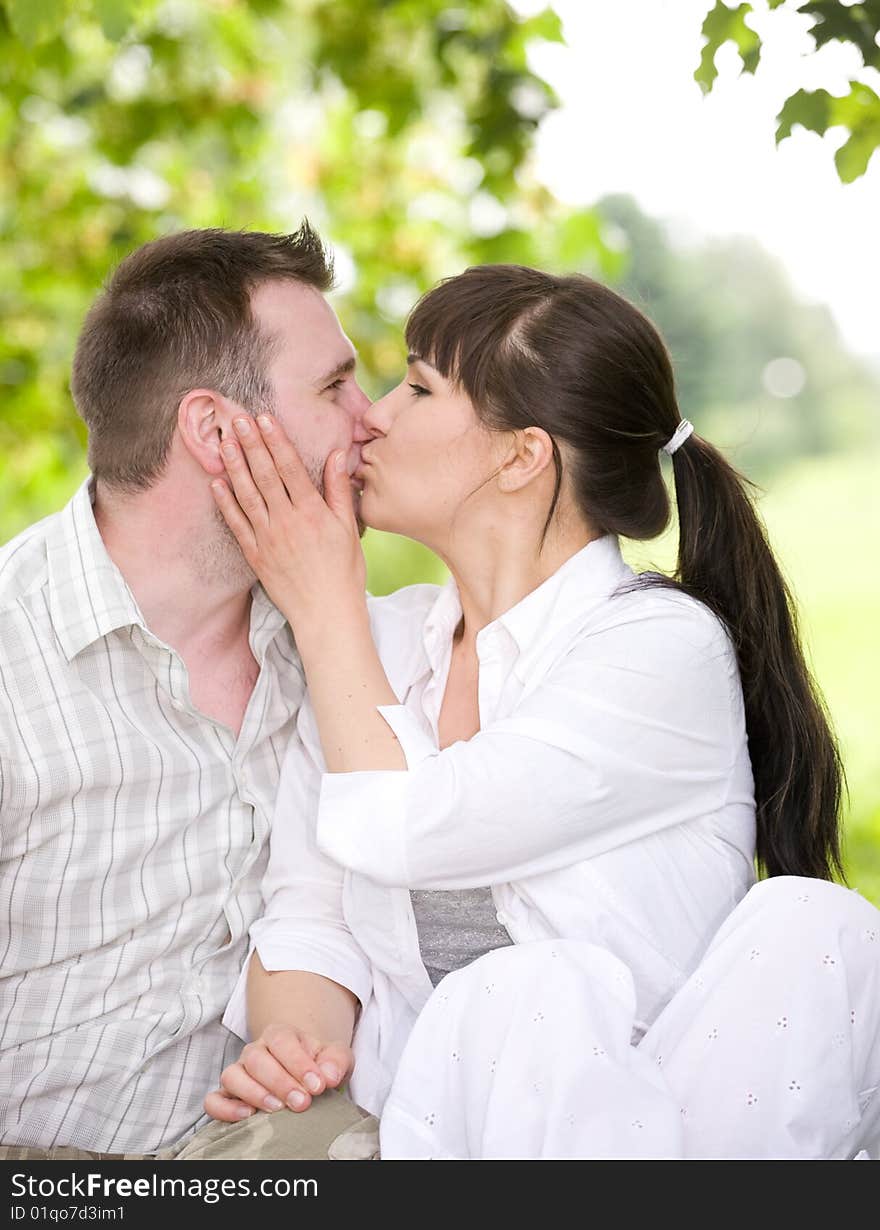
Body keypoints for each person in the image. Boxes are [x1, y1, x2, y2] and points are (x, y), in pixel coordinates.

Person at [206, 264, 880, 1159]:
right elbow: (310, 912)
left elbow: (407, 829)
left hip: (662, 1129)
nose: (371, 413)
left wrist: (322, 603)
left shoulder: (656, 651)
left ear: (520, 456)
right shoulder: (383, 645)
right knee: (518, 998)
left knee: (556, 987)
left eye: (417, 387)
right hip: (430, 1128)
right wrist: (291, 1052)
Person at [0, 223, 383, 1160]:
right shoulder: (14, 655)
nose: (371, 417)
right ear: (216, 430)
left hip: (218, 1158)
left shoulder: (329, 642)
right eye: (334, 387)